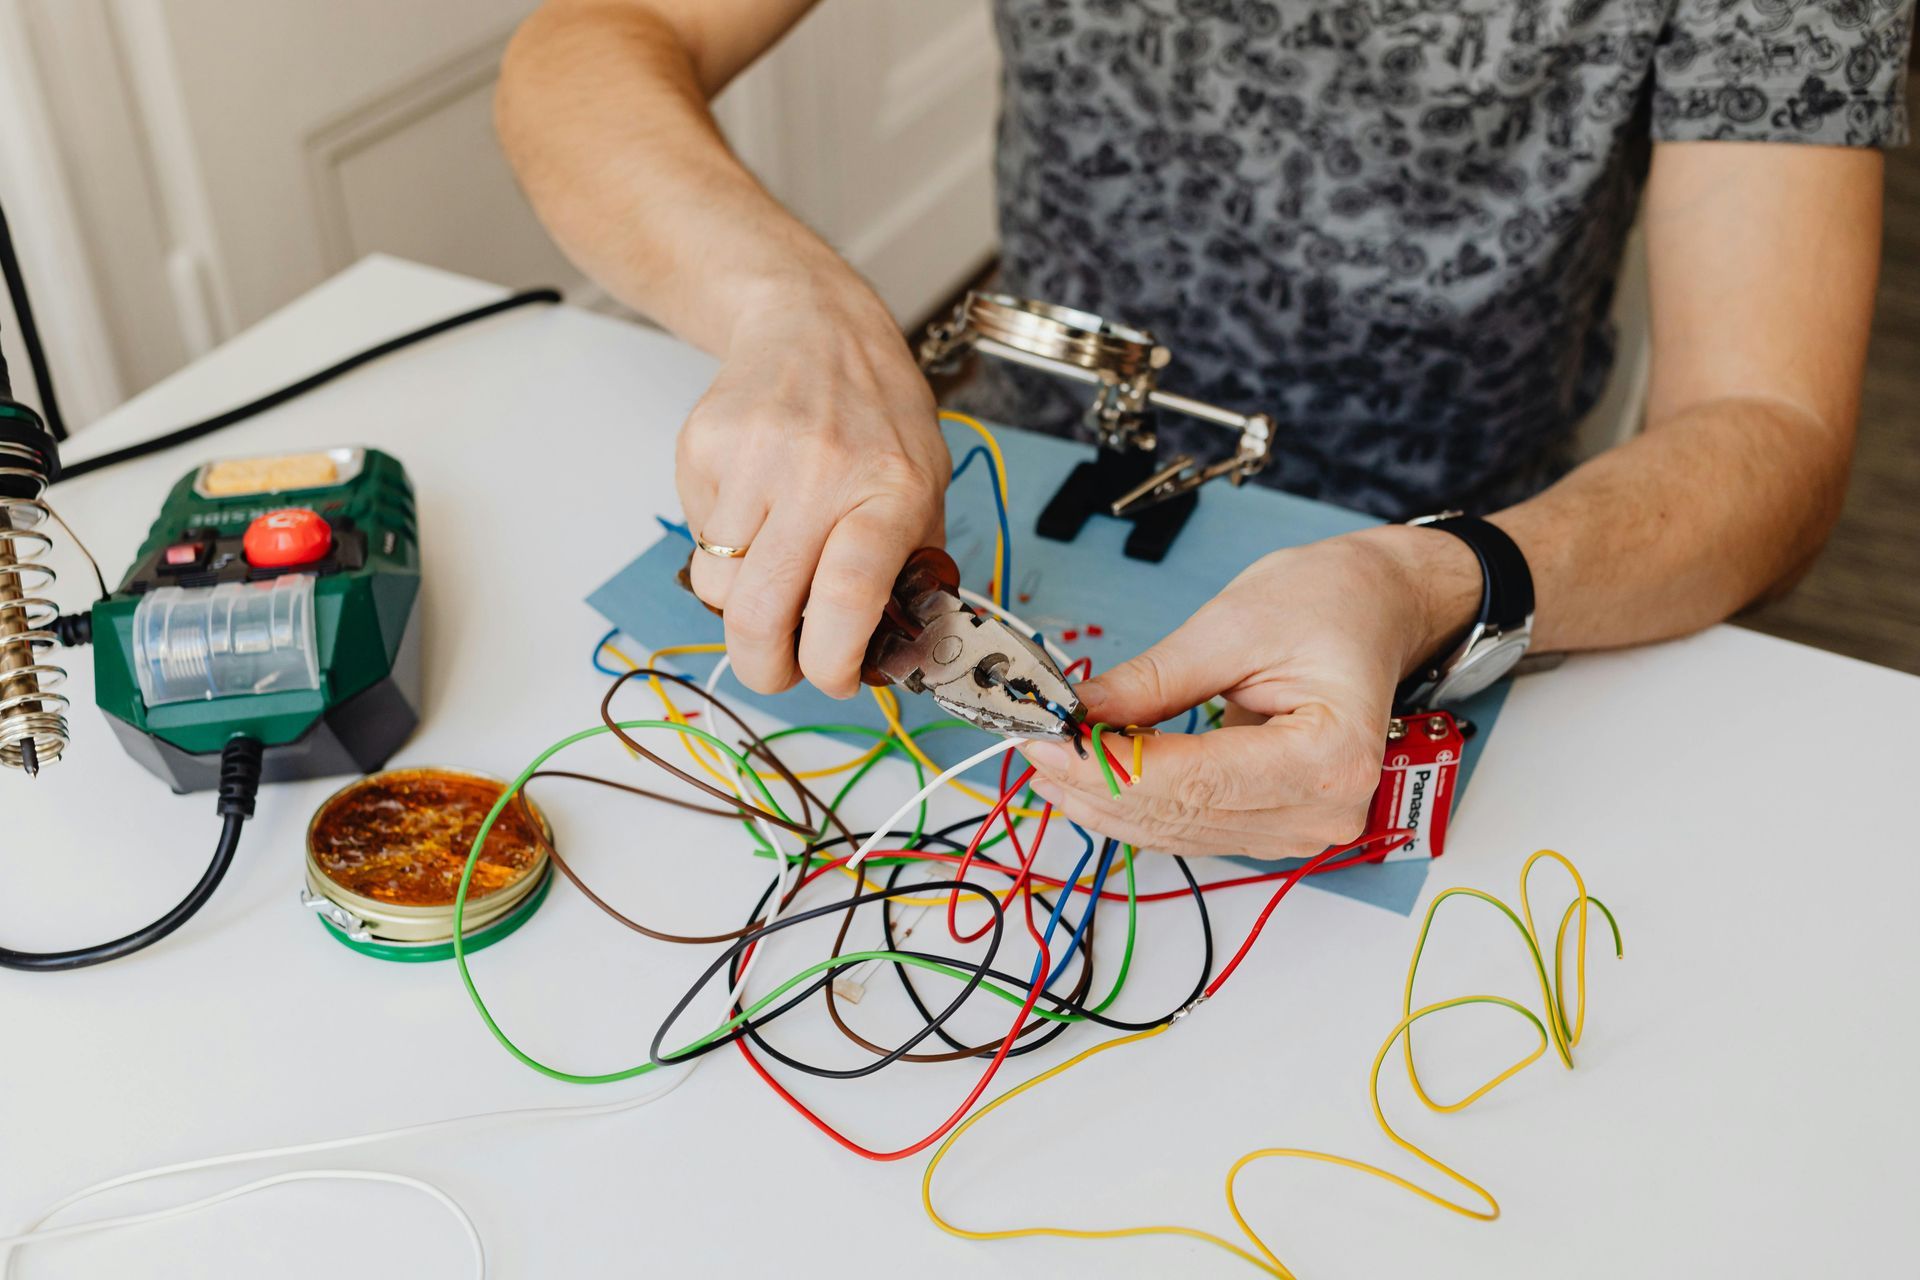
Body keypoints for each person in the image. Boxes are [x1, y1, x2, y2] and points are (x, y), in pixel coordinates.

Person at [497, 0, 1911, 858]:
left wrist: (1427, 581)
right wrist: (803, 321)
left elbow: (1769, 424)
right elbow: (592, 48)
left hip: (1473, 571)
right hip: (1015, 499)